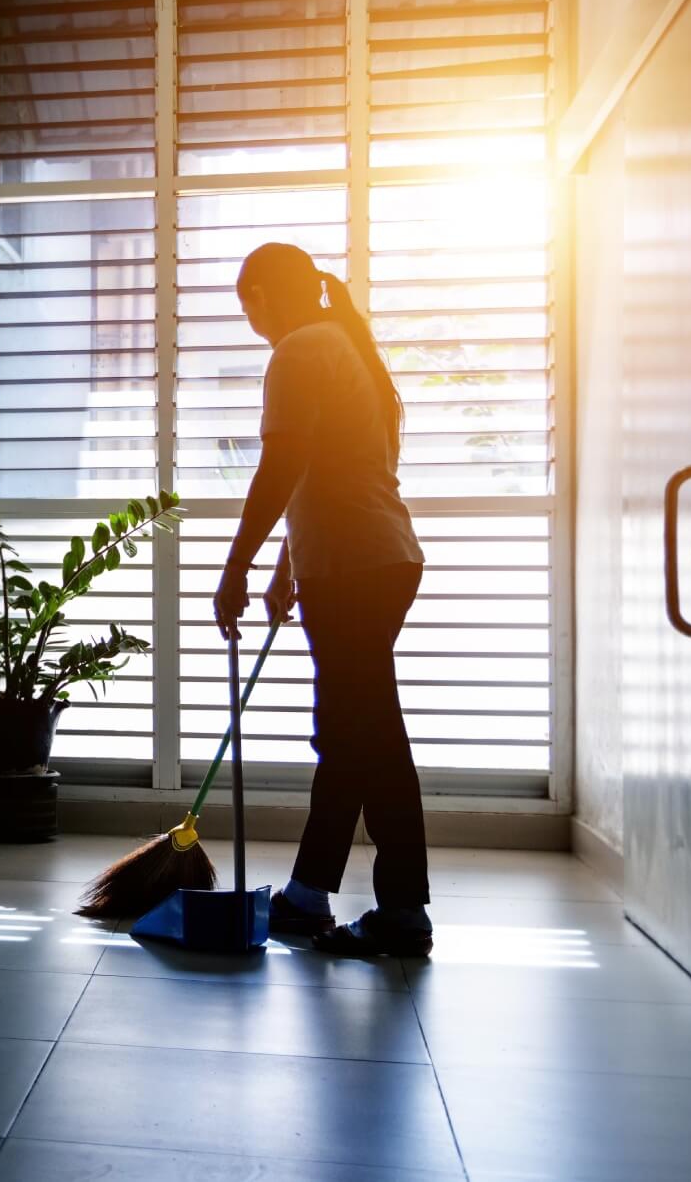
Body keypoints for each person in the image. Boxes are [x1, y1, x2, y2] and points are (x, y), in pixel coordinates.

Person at [212, 242, 433, 956]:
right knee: (353, 733)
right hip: (369, 559)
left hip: (357, 568)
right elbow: (322, 473)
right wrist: (285, 569)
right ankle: (311, 896)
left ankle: (398, 908)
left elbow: (282, 465)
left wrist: (236, 564)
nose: (250, 315)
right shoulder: (338, 344)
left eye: (249, 298)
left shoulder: (300, 350)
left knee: (366, 735)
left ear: (269, 292)